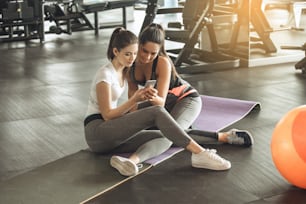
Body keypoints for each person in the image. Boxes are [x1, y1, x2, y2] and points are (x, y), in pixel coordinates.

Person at [84, 27, 231, 177]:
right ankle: (200, 152)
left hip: (183, 99)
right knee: (158, 114)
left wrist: (136, 108)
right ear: (116, 52)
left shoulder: (125, 70)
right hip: (97, 131)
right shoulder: (105, 75)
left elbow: (147, 102)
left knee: (165, 136)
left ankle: (130, 162)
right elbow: (108, 115)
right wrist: (135, 100)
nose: (133, 58)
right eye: (129, 54)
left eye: (134, 54)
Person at [127, 23, 254, 147]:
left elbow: (160, 102)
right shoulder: (130, 63)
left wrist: (149, 98)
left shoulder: (162, 62)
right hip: (163, 105)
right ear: (138, 45)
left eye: (153, 53)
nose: (147, 57)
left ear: (159, 51)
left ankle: (224, 137)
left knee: (172, 135)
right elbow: (132, 96)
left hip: (186, 99)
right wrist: (132, 118)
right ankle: (181, 125)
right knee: (134, 128)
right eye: (144, 51)